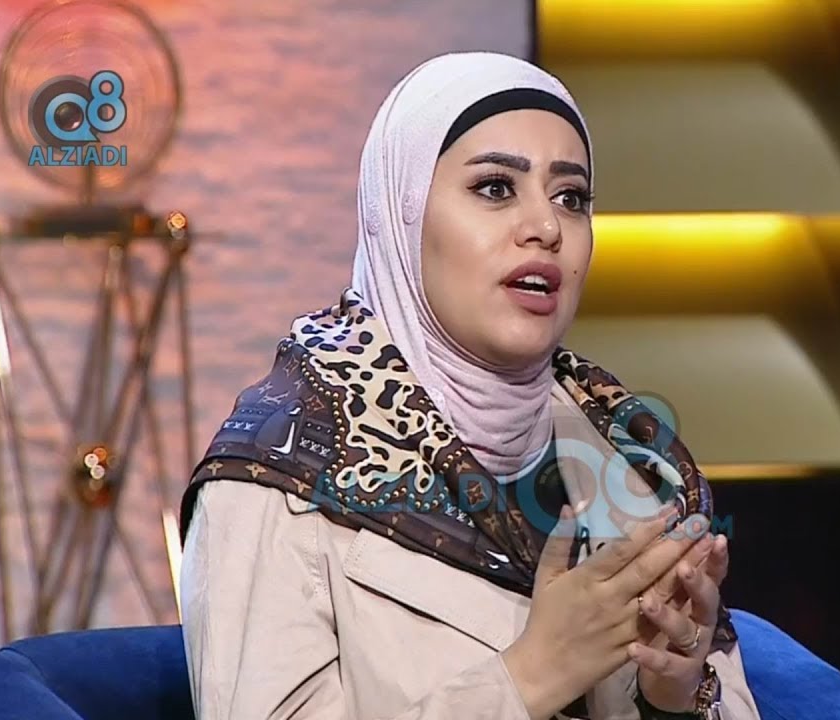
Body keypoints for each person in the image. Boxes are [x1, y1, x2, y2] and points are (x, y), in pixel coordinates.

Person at [178, 51, 761, 720]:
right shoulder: (274, 478)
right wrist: (532, 677)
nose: (546, 227)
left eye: (570, 198)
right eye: (495, 188)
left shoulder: (630, 459)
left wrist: (673, 698)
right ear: (400, 215)